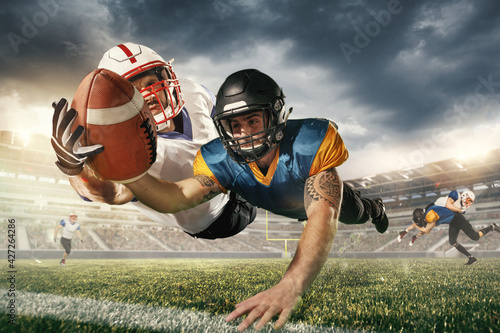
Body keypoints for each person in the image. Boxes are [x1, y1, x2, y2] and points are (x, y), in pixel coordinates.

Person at [111, 69, 389, 331]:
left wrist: (291, 284)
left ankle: (376, 209)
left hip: (316, 200)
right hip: (273, 200)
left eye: (253, 120)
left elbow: (322, 214)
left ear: (274, 115)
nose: (244, 133)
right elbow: (177, 196)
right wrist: (126, 174)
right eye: (235, 124)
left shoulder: (310, 142)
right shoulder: (218, 158)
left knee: (355, 212)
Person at [51, 42, 256, 239]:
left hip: (241, 181)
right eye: (135, 90)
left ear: (168, 78)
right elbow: (111, 193)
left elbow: (220, 109)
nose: (148, 94)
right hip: (216, 219)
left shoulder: (192, 91)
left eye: (151, 83)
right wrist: (76, 170)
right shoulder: (124, 151)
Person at [397, 190, 500, 264]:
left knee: (475, 237)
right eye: (468, 200)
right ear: (464, 195)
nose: (468, 203)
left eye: (470, 202)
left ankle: (492, 227)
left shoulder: (453, 207)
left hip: (458, 219)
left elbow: (428, 226)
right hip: (453, 220)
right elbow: (449, 206)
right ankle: (471, 257)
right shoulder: (455, 195)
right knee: (452, 241)